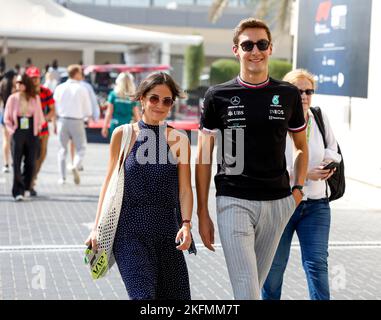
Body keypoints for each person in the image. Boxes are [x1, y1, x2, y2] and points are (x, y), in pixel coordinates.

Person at [195, 18, 309, 300]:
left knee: (251, 289)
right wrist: (202, 212)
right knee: (248, 292)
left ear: (271, 49)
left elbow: (301, 147)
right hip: (233, 200)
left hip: (278, 204)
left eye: (261, 44)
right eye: (247, 45)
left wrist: (297, 191)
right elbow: (202, 156)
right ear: (236, 50)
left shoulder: (288, 94)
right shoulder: (217, 96)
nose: (255, 50)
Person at [85, 72, 193, 300]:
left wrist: (186, 224)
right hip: (129, 234)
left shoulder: (179, 139)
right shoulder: (122, 135)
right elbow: (109, 183)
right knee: (142, 298)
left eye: (167, 101)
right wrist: (96, 228)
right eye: (154, 98)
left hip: (167, 233)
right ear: (142, 99)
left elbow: (185, 189)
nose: (160, 105)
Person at [262, 69, 341, 300]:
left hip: (316, 206)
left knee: (317, 265)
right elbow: (269, 167)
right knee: (274, 270)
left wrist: (325, 165)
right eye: (298, 91)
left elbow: (333, 151)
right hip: (282, 206)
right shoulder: (275, 122)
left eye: (308, 91)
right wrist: (306, 174)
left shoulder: (319, 117)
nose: (304, 96)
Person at [4, 74, 44, 201]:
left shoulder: (34, 98)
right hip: (18, 129)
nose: (18, 85)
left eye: (21, 83)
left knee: (31, 161)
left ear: (26, 84)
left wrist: (38, 129)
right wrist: (12, 130)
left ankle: (26, 186)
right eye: (17, 83)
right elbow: (7, 118)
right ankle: (17, 191)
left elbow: (40, 115)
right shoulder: (12, 98)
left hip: (32, 130)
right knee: (16, 161)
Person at [53, 64, 92, 185]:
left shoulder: (60, 87)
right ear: (76, 73)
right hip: (77, 120)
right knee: (81, 148)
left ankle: (62, 178)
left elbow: (54, 106)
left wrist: (54, 123)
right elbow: (88, 110)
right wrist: (87, 117)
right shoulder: (82, 88)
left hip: (62, 120)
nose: (82, 75)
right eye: (80, 72)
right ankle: (75, 164)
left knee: (62, 149)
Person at [26, 66, 56, 196]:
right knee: (30, 157)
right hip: (28, 131)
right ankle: (28, 182)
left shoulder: (46, 92)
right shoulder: (25, 93)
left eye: (36, 78)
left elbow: (52, 110)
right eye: (32, 78)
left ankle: (32, 180)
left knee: (42, 156)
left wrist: (44, 120)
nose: (35, 80)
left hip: (43, 130)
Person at [101, 72, 140, 138]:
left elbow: (109, 113)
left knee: (115, 147)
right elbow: (136, 114)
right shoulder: (132, 96)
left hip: (116, 125)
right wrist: (141, 129)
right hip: (128, 126)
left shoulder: (113, 94)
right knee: (128, 148)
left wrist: (104, 127)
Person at [0, 70, 17, 173]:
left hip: (3, 114)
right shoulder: (15, 88)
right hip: (13, 116)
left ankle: (6, 163)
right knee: (13, 141)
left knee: (5, 140)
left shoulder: (1, 85)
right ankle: (13, 162)